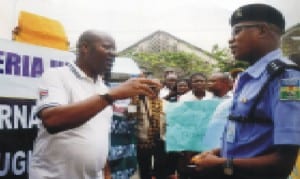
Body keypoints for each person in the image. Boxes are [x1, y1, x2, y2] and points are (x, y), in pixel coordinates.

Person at [29, 30, 161, 179]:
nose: (113, 54)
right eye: (107, 47)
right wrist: (111, 96)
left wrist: (106, 174)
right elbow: (52, 120)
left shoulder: (102, 88)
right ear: (85, 47)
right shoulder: (57, 75)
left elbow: (98, 137)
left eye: (114, 50)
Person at [191, 3, 300, 179]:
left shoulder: (286, 78)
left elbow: (283, 163)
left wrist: (222, 165)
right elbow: (252, 138)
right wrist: (219, 152)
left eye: (237, 31)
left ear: (262, 31)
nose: (230, 39)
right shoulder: (250, 78)